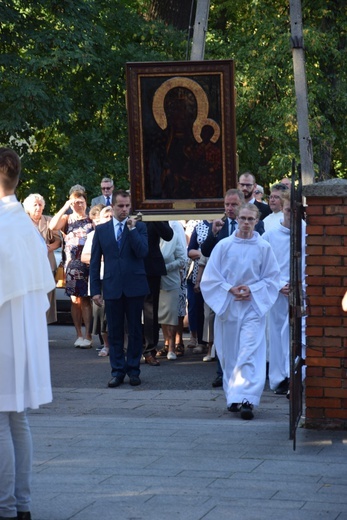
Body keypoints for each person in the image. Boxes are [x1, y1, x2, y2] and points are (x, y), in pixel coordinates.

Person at [0, 148, 55, 520]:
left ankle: (5, 505)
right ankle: (22, 504)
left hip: (4, 330)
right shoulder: (26, 225)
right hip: (22, 331)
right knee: (17, 418)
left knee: (2, 419)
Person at [200, 204, 280, 420]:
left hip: (253, 307)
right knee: (230, 354)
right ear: (237, 219)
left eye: (250, 219)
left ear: (257, 220)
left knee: (249, 351)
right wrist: (229, 289)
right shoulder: (224, 246)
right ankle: (233, 397)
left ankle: (247, 400)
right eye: (243, 218)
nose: (246, 223)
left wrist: (252, 290)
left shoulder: (264, 248)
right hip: (229, 306)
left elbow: (272, 278)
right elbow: (210, 278)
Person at [90, 189, 149, 388]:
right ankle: (117, 371)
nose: (124, 210)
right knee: (114, 332)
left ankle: (133, 370)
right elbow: (95, 262)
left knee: (134, 330)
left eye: (127, 206)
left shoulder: (139, 227)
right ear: (113, 206)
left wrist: (131, 230)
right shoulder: (101, 230)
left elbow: (142, 252)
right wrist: (95, 290)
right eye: (120, 206)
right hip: (113, 285)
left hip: (135, 285)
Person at [263, 191, 306, 394]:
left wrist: (300, 285)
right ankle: (279, 378)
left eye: (296, 210)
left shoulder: (307, 232)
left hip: (300, 290)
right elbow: (263, 264)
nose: (291, 214)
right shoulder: (271, 235)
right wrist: (278, 284)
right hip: (277, 291)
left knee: (299, 334)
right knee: (277, 335)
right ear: (283, 209)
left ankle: (297, 376)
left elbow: (308, 263)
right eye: (288, 210)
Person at [49, 189, 93, 348]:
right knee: (75, 300)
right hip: (72, 265)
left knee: (86, 299)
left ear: (86, 202)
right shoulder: (67, 218)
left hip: (88, 263)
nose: (78, 205)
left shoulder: (90, 219)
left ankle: (88, 335)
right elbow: (52, 225)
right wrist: (65, 206)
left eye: (81, 201)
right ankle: (78, 335)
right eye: (75, 202)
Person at [23, 193, 61, 324]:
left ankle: (44, 328)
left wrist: (47, 248)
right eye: (35, 205)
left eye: (40, 204)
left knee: (46, 298)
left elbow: (58, 241)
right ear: (28, 207)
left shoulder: (49, 221)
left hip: (47, 264)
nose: (38, 207)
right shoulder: (22, 221)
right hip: (28, 267)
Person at [142, 221, 173, 366]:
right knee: (129, 311)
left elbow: (168, 235)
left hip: (151, 267)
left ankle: (150, 350)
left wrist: (154, 216)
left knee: (151, 311)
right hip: (130, 267)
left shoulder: (154, 214)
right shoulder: (126, 210)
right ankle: (132, 350)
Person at [80, 204, 109, 356]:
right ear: (99, 219)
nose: (109, 219)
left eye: (111, 216)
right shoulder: (93, 235)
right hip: (100, 278)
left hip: (115, 279)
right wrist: (103, 256)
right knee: (100, 315)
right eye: (106, 216)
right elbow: (84, 257)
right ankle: (105, 344)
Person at [158, 221, 186, 360]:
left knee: (171, 314)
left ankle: (172, 348)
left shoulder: (174, 237)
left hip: (171, 281)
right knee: (160, 314)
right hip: (154, 282)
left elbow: (183, 259)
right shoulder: (149, 236)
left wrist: (165, 267)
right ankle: (165, 344)